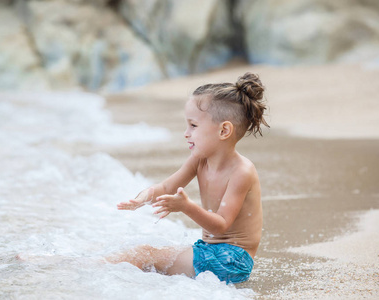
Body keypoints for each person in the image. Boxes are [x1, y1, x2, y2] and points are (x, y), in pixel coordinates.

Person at [111, 72, 269, 284]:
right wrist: (143, 198)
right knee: (150, 265)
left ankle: (87, 270)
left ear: (224, 130)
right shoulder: (199, 159)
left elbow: (220, 225)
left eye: (193, 126)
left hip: (233, 260)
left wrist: (186, 206)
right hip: (212, 251)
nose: (186, 133)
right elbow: (167, 185)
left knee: (144, 254)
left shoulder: (242, 171)